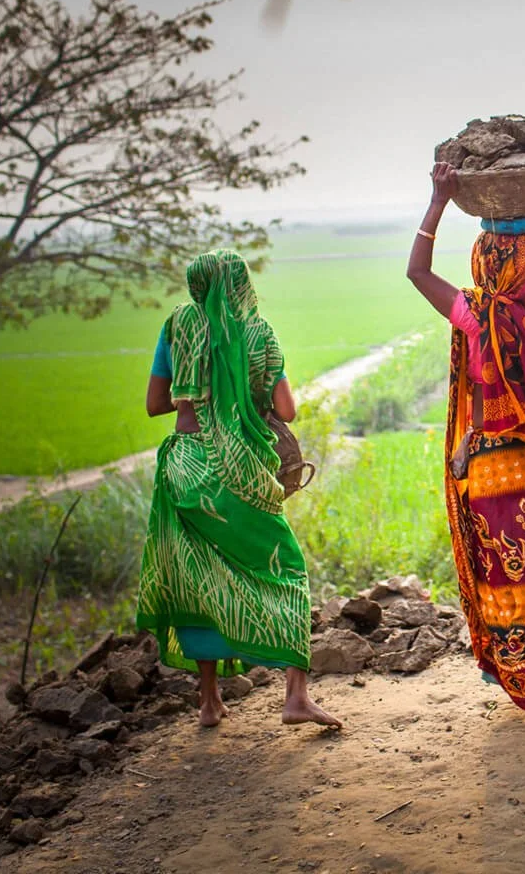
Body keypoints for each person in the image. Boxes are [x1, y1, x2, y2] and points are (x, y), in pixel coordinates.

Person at [407, 162, 525, 741]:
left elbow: (416, 270)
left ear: (485, 263)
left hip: (497, 464)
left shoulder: (477, 315)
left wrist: (437, 202)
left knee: (508, 578)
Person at [136, 249, 340, 730]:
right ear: (243, 285)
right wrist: (237, 400)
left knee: (198, 580)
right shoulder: (258, 333)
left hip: (185, 467)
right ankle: (295, 697)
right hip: (240, 471)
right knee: (285, 570)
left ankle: (209, 703)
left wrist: (200, 395)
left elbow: (153, 404)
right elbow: (286, 411)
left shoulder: (176, 327)